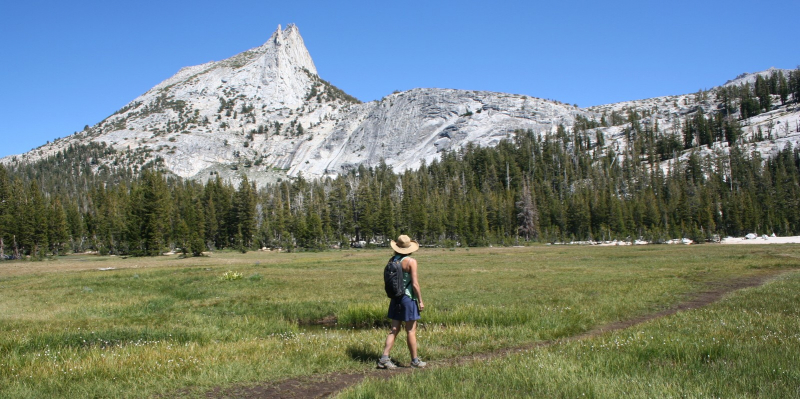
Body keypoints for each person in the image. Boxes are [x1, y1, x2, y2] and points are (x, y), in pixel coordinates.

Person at [377, 234, 427, 369]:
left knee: (394, 329)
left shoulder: (392, 260)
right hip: (408, 298)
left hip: (395, 297)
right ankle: (415, 361)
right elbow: (415, 284)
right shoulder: (411, 262)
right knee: (411, 331)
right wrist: (420, 300)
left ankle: (384, 358)